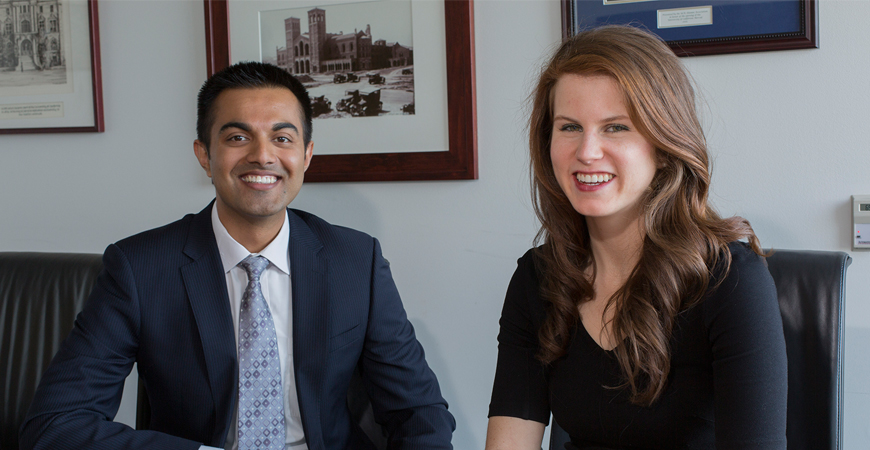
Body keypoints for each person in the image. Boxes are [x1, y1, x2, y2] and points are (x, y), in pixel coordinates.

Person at [20, 62, 455, 450]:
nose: (262, 155)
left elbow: (418, 413)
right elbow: (56, 425)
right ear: (204, 156)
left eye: (282, 137)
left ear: (305, 156)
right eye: (237, 136)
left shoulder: (356, 261)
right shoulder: (139, 267)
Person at [485, 25, 787, 450]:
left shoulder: (729, 281)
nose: (587, 152)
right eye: (569, 127)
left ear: (664, 146)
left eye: (615, 128)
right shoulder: (538, 279)